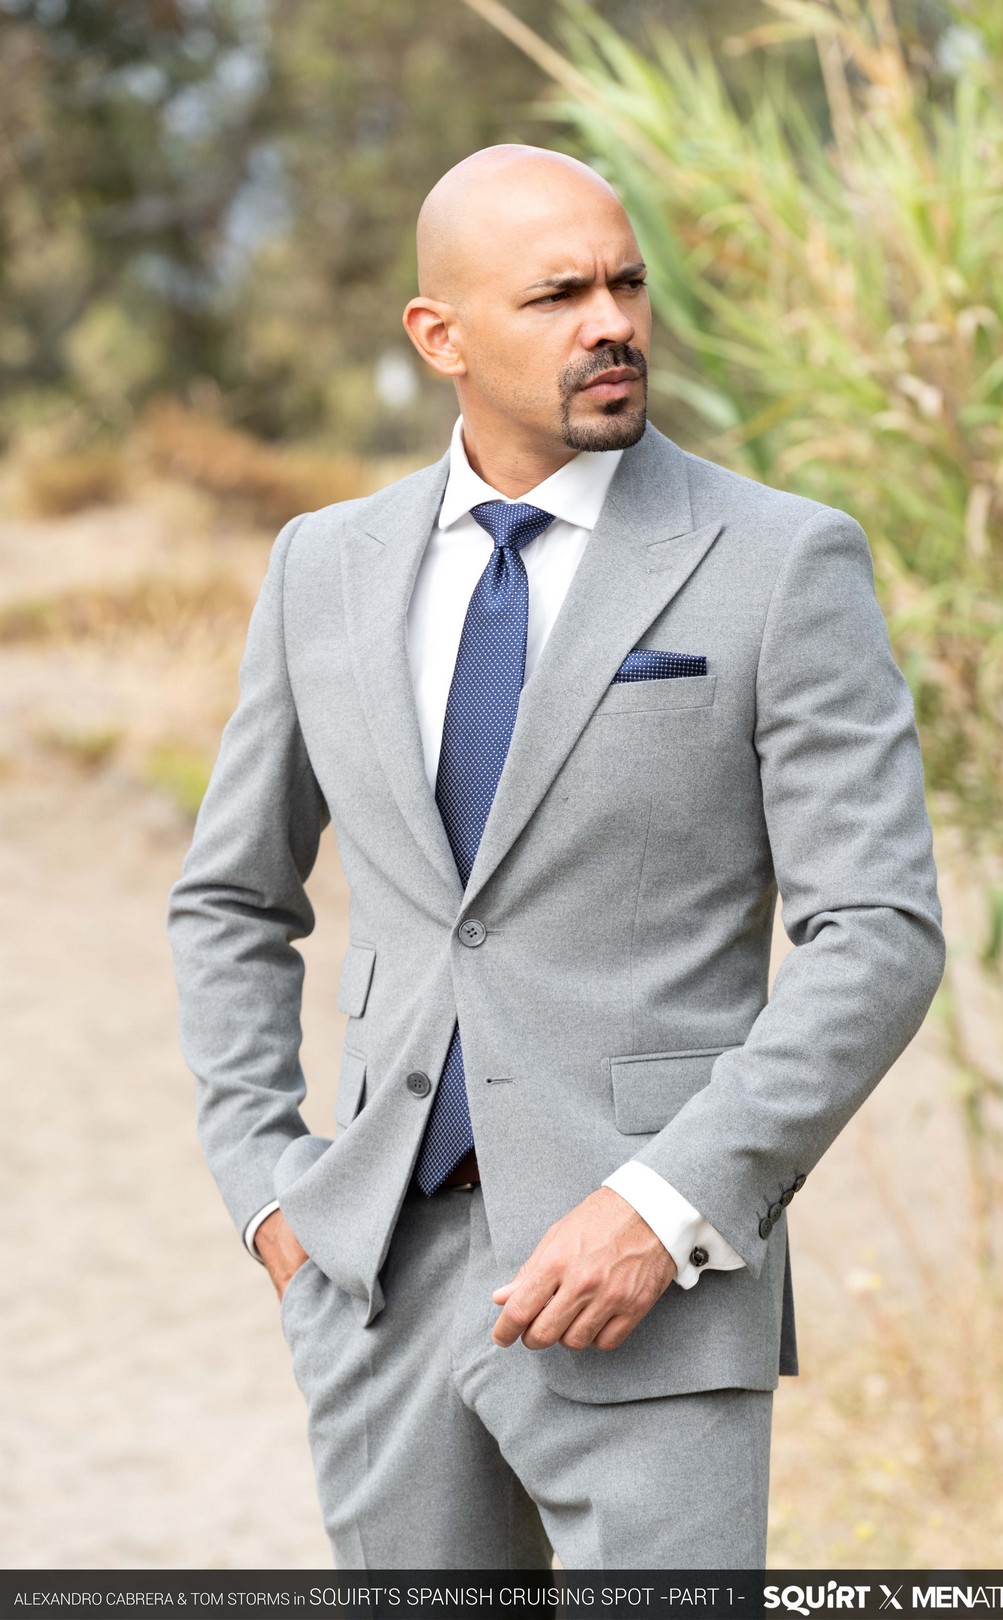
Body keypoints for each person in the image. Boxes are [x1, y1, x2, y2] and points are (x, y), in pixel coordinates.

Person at [166, 145, 945, 1571]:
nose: (613, 324)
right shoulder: (322, 566)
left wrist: (669, 1203)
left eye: (626, 285)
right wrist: (269, 1189)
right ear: (439, 335)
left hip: (650, 1291)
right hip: (376, 1282)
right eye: (558, 295)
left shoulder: (780, 560)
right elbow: (230, 898)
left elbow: (880, 934)